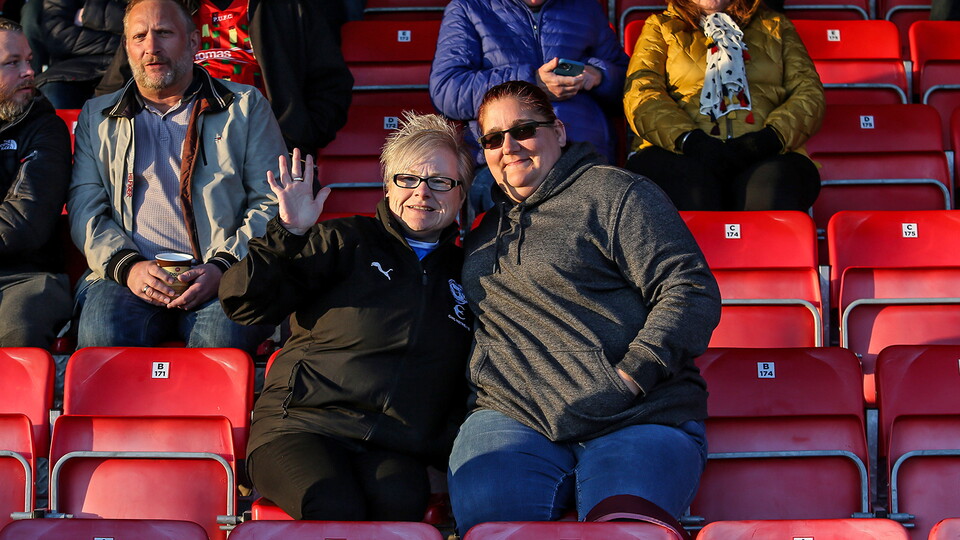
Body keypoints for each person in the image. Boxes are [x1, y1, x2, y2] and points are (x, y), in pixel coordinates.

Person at [448, 81, 721, 535]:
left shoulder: (616, 193)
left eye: (523, 130)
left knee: (624, 533)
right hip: (512, 417)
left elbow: (689, 288)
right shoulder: (483, 231)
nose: (508, 147)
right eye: (493, 139)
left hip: (637, 415)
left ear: (558, 131)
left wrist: (632, 374)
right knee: (494, 530)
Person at [219, 112, 475, 521]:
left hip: (394, 443)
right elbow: (244, 303)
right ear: (388, 187)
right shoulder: (344, 240)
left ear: (462, 194)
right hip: (301, 425)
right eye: (408, 179)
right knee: (334, 506)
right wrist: (288, 234)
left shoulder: (468, 273)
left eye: (440, 182)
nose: (422, 193)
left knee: (401, 506)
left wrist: (439, 445)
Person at [67, 0, 285, 350]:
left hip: (224, 271)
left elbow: (271, 201)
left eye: (164, 33)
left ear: (194, 41)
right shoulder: (98, 116)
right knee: (102, 340)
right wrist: (128, 267)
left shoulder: (245, 106)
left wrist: (223, 267)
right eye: (139, 36)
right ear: (127, 46)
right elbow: (85, 208)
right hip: (129, 276)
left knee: (218, 344)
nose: (151, 47)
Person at [429, 0, 628, 218]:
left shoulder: (585, 6)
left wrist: (599, 75)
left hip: (583, 154)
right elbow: (447, 90)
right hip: (508, 161)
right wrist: (531, 82)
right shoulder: (469, 7)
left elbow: (629, 85)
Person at [623, 0, 824, 211]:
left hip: (768, 152)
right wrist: (689, 140)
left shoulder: (775, 26)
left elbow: (809, 93)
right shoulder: (660, 26)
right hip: (678, 151)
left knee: (771, 189)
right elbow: (642, 94)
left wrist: (770, 139)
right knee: (691, 191)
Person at [95, 0, 353, 152]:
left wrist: (297, 135)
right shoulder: (162, 11)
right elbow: (112, 91)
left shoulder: (290, 6)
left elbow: (330, 82)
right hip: (176, 146)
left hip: (265, 147)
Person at [0, 17, 74, 347]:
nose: (29, 71)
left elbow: (24, 221)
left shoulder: (45, 128)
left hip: (25, 278)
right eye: (12, 63)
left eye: (29, 60)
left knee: (17, 329)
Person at [35, 0, 127, 109]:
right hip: (69, 70)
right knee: (52, 103)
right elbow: (60, 37)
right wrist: (123, 41)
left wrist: (88, 13)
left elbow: (142, 20)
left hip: (124, 67)